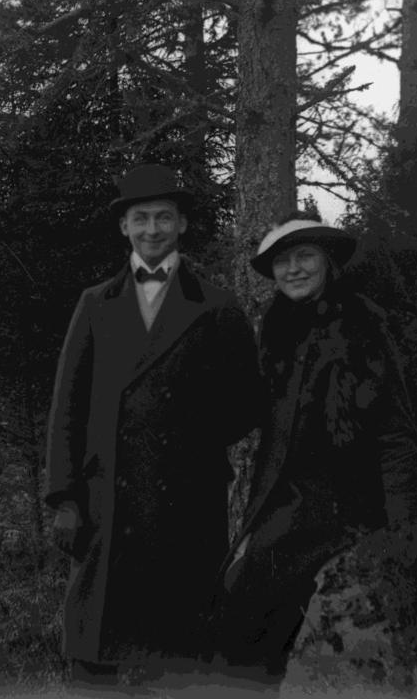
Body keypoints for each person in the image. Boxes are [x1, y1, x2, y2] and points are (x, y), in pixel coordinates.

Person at [45, 163, 263, 689]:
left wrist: (188, 437)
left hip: (188, 498)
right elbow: (66, 408)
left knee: (178, 653)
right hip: (106, 498)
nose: (152, 230)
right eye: (140, 219)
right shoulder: (95, 304)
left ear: (182, 224)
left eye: (163, 218)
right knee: (95, 651)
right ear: (124, 227)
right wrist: (64, 499)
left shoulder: (218, 305)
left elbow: (247, 402)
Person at [212, 211, 417, 689]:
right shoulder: (276, 326)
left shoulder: (363, 321)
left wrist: (403, 527)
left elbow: (395, 430)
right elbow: (255, 411)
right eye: (283, 261)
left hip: (345, 504)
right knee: (237, 602)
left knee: (253, 604)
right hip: (281, 498)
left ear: (328, 262)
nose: (294, 269)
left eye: (304, 256)